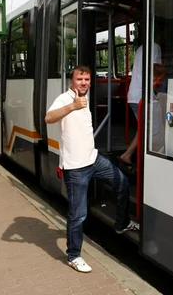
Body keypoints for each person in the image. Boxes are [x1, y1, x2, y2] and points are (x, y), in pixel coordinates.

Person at [45, 65, 139, 273]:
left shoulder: (84, 98)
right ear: (72, 81)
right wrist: (73, 106)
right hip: (75, 168)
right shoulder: (66, 99)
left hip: (93, 160)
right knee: (78, 215)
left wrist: (80, 104)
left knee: (122, 182)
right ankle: (73, 256)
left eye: (87, 79)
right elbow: (49, 118)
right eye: (80, 79)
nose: (84, 83)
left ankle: (121, 223)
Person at [118, 31, 165, 165]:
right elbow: (156, 71)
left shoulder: (140, 48)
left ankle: (129, 155)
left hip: (133, 95)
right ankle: (150, 162)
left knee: (144, 129)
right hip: (144, 95)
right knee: (154, 133)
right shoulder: (155, 47)